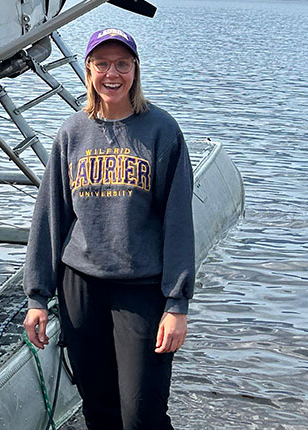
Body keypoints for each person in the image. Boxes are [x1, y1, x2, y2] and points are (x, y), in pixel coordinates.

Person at [22, 27, 194, 430]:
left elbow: (179, 224)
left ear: (135, 70)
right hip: (81, 287)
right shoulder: (72, 132)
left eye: (121, 64)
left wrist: (177, 304)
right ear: (89, 70)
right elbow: (49, 217)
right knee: (99, 409)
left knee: (142, 415)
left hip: (141, 288)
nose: (111, 74)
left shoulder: (161, 131)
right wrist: (36, 297)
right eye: (102, 64)